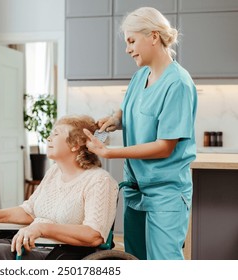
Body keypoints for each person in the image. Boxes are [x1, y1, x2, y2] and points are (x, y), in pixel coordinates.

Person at [83, 7, 197, 260]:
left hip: (165, 193)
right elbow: (130, 110)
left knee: (162, 263)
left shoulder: (178, 83)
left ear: (153, 36)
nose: (127, 49)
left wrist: (109, 152)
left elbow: (164, 146)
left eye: (132, 41)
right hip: (136, 189)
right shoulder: (139, 76)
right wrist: (115, 120)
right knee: (134, 260)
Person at [0, 115, 119, 260]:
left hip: (62, 254)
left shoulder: (99, 180)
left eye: (56, 134)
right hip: (33, 243)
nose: (49, 138)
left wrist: (42, 228)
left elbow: (94, 234)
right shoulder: (54, 173)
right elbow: (29, 211)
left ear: (76, 144)